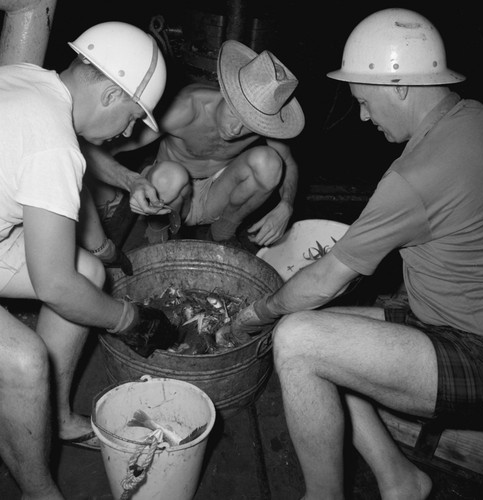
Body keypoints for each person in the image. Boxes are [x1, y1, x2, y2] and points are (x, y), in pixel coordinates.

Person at [224, 8, 483, 499]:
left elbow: (329, 276)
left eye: (364, 101)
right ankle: (400, 480)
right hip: (449, 314)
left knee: (298, 339)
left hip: (481, 351)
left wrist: (254, 313)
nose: (365, 117)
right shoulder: (477, 119)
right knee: (330, 336)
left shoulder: (415, 177)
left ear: (400, 86)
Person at [0, 21, 179, 499]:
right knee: (23, 361)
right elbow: (55, 285)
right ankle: (38, 490)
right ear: (110, 93)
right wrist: (131, 319)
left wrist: (104, 255)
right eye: (131, 117)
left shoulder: (29, 78)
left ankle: (52, 417)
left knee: (89, 272)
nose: (125, 131)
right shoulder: (53, 142)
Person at [81, 39, 304, 247]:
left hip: (218, 193)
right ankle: (159, 233)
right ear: (226, 92)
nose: (237, 129)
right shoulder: (183, 110)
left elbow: (289, 164)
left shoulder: (264, 126)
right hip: (169, 196)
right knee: (171, 176)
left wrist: (286, 205)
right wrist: (131, 182)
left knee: (270, 164)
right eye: (235, 114)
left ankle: (222, 233)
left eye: (251, 124)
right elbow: (93, 149)